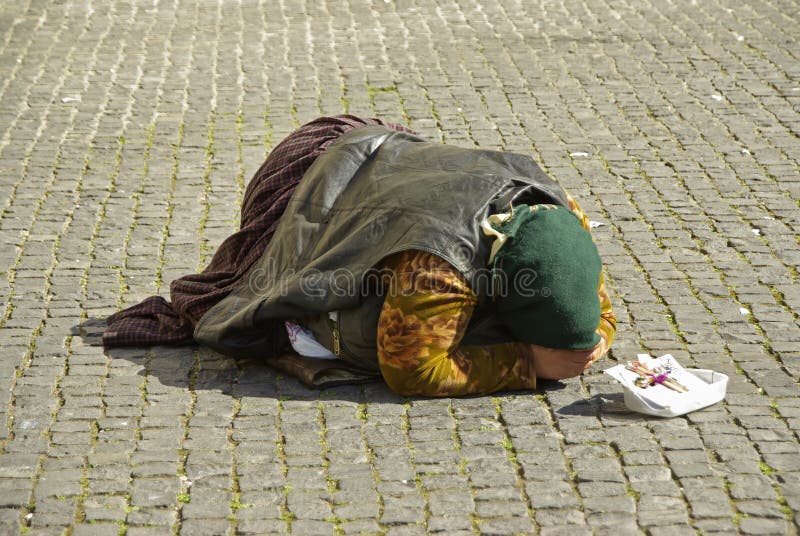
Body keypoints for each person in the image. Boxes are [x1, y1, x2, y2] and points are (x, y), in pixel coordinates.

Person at [104, 115, 615, 396]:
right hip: (313, 172)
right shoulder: (436, 269)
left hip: (388, 165)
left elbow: (594, 305)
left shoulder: (563, 213)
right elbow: (410, 371)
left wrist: (594, 341)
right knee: (289, 299)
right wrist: (526, 363)